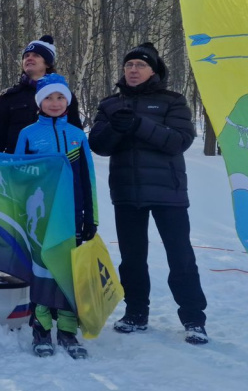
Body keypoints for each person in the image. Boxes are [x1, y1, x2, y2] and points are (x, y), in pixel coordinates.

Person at [89, 42, 209, 345]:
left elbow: (178, 141)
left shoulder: (173, 101)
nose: (133, 70)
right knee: (131, 258)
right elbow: (99, 145)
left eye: (140, 65)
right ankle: (135, 312)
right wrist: (116, 127)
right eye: (129, 65)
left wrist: (139, 124)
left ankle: (194, 318)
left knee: (180, 256)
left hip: (168, 191)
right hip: (127, 192)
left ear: (153, 70)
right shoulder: (110, 104)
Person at [15, 74, 98, 359]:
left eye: (60, 97)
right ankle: (41, 329)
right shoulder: (27, 134)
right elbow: (18, 178)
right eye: (48, 97)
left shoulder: (77, 135)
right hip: (39, 218)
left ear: (68, 101)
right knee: (42, 271)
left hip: (72, 218)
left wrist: (92, 217)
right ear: (39, 102)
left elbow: (89, 179)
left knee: (67, 273)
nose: (55, 103)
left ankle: (67, 331)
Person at [0, 35, 82, 154]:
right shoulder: (8, 97)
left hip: (54, 166)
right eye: (26, 56)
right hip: (16, 165)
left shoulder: (64, 96)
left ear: (47, 64)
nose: (29, 58)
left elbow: (76, 136)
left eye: (36, 55)